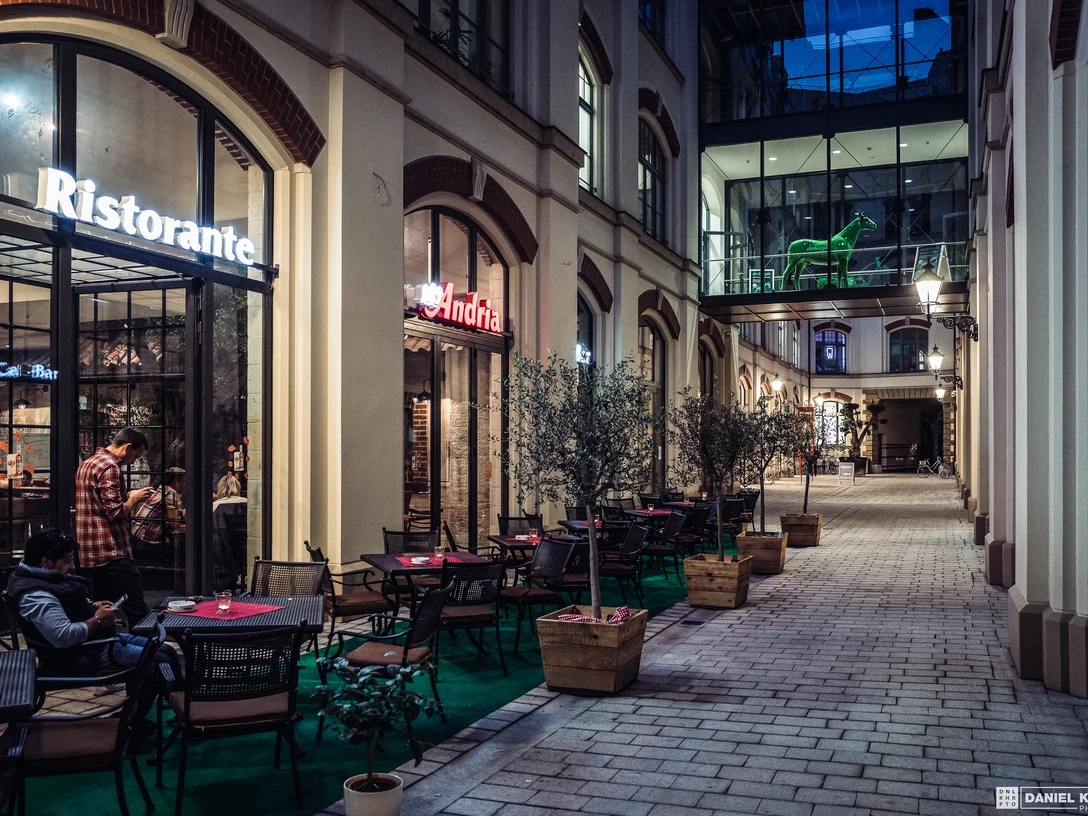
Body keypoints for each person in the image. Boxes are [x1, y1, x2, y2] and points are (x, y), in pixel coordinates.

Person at [6, 528, 181, 721]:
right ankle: (129, 725)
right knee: (156, 661)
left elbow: (65, 606)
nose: (72, 566)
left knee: (167, 651)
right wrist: (97, 619)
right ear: (45, 562)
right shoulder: (36, 595)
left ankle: (180, 711)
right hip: (75, 655)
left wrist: (92, 606)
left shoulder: (43, 576)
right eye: (66, 561)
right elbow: (63, 637)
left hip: (95, 642)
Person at [75, 427, 154, 623]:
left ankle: (110, 649)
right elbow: (115, 512)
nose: (134, 461)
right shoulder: (110, 467)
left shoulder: (88, 463)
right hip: (112, 552)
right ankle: (148, 651)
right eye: (136, 455)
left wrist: (126, 497)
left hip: (89, 551)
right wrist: (133, 499)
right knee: (135, 607)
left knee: (104, 609)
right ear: (127, 447)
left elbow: (98, 504)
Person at [131, 467, 186, 549]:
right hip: (144, 543)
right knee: (180, 552)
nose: (186, 485)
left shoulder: (163, 490)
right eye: (184, 482)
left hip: (135, 540)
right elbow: (174, 524)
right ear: (175, 482)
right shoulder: (170, 493)